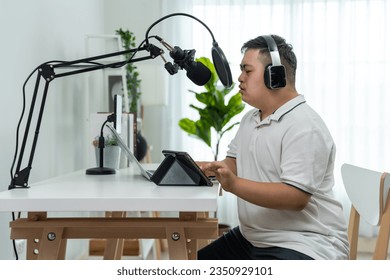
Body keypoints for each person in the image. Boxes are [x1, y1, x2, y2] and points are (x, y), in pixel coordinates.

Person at [197, 34, 349, 260]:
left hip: (305, 242)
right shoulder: (251, 119)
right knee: (195, 264)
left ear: (274, 76)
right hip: (253, 237)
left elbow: (295, 197)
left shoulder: (304, 126)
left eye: (247, 71)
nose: (239, 78)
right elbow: (235, 161)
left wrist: (234, 184)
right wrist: (210, 168)